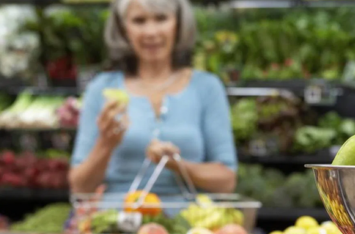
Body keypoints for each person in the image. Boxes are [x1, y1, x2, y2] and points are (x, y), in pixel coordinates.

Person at [69, 0, 237, 196]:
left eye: (161, 19)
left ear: (179, 24)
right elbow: (80, 188)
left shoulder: (207, 87)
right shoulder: (102, 88)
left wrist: (177, 165)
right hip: (119, 219)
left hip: (189, 221)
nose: (151, 32)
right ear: (124, 29)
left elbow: (227, 181)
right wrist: (106, 143)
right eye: (139, 21)